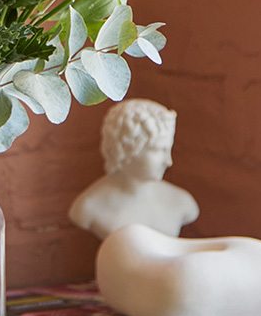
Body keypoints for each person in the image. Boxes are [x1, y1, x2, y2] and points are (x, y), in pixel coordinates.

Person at [68, 98, 199, 240]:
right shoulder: (89, 206)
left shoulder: (181, 201)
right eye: (158, 150)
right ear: (126, 149)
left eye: (168, 149)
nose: (168, 161)